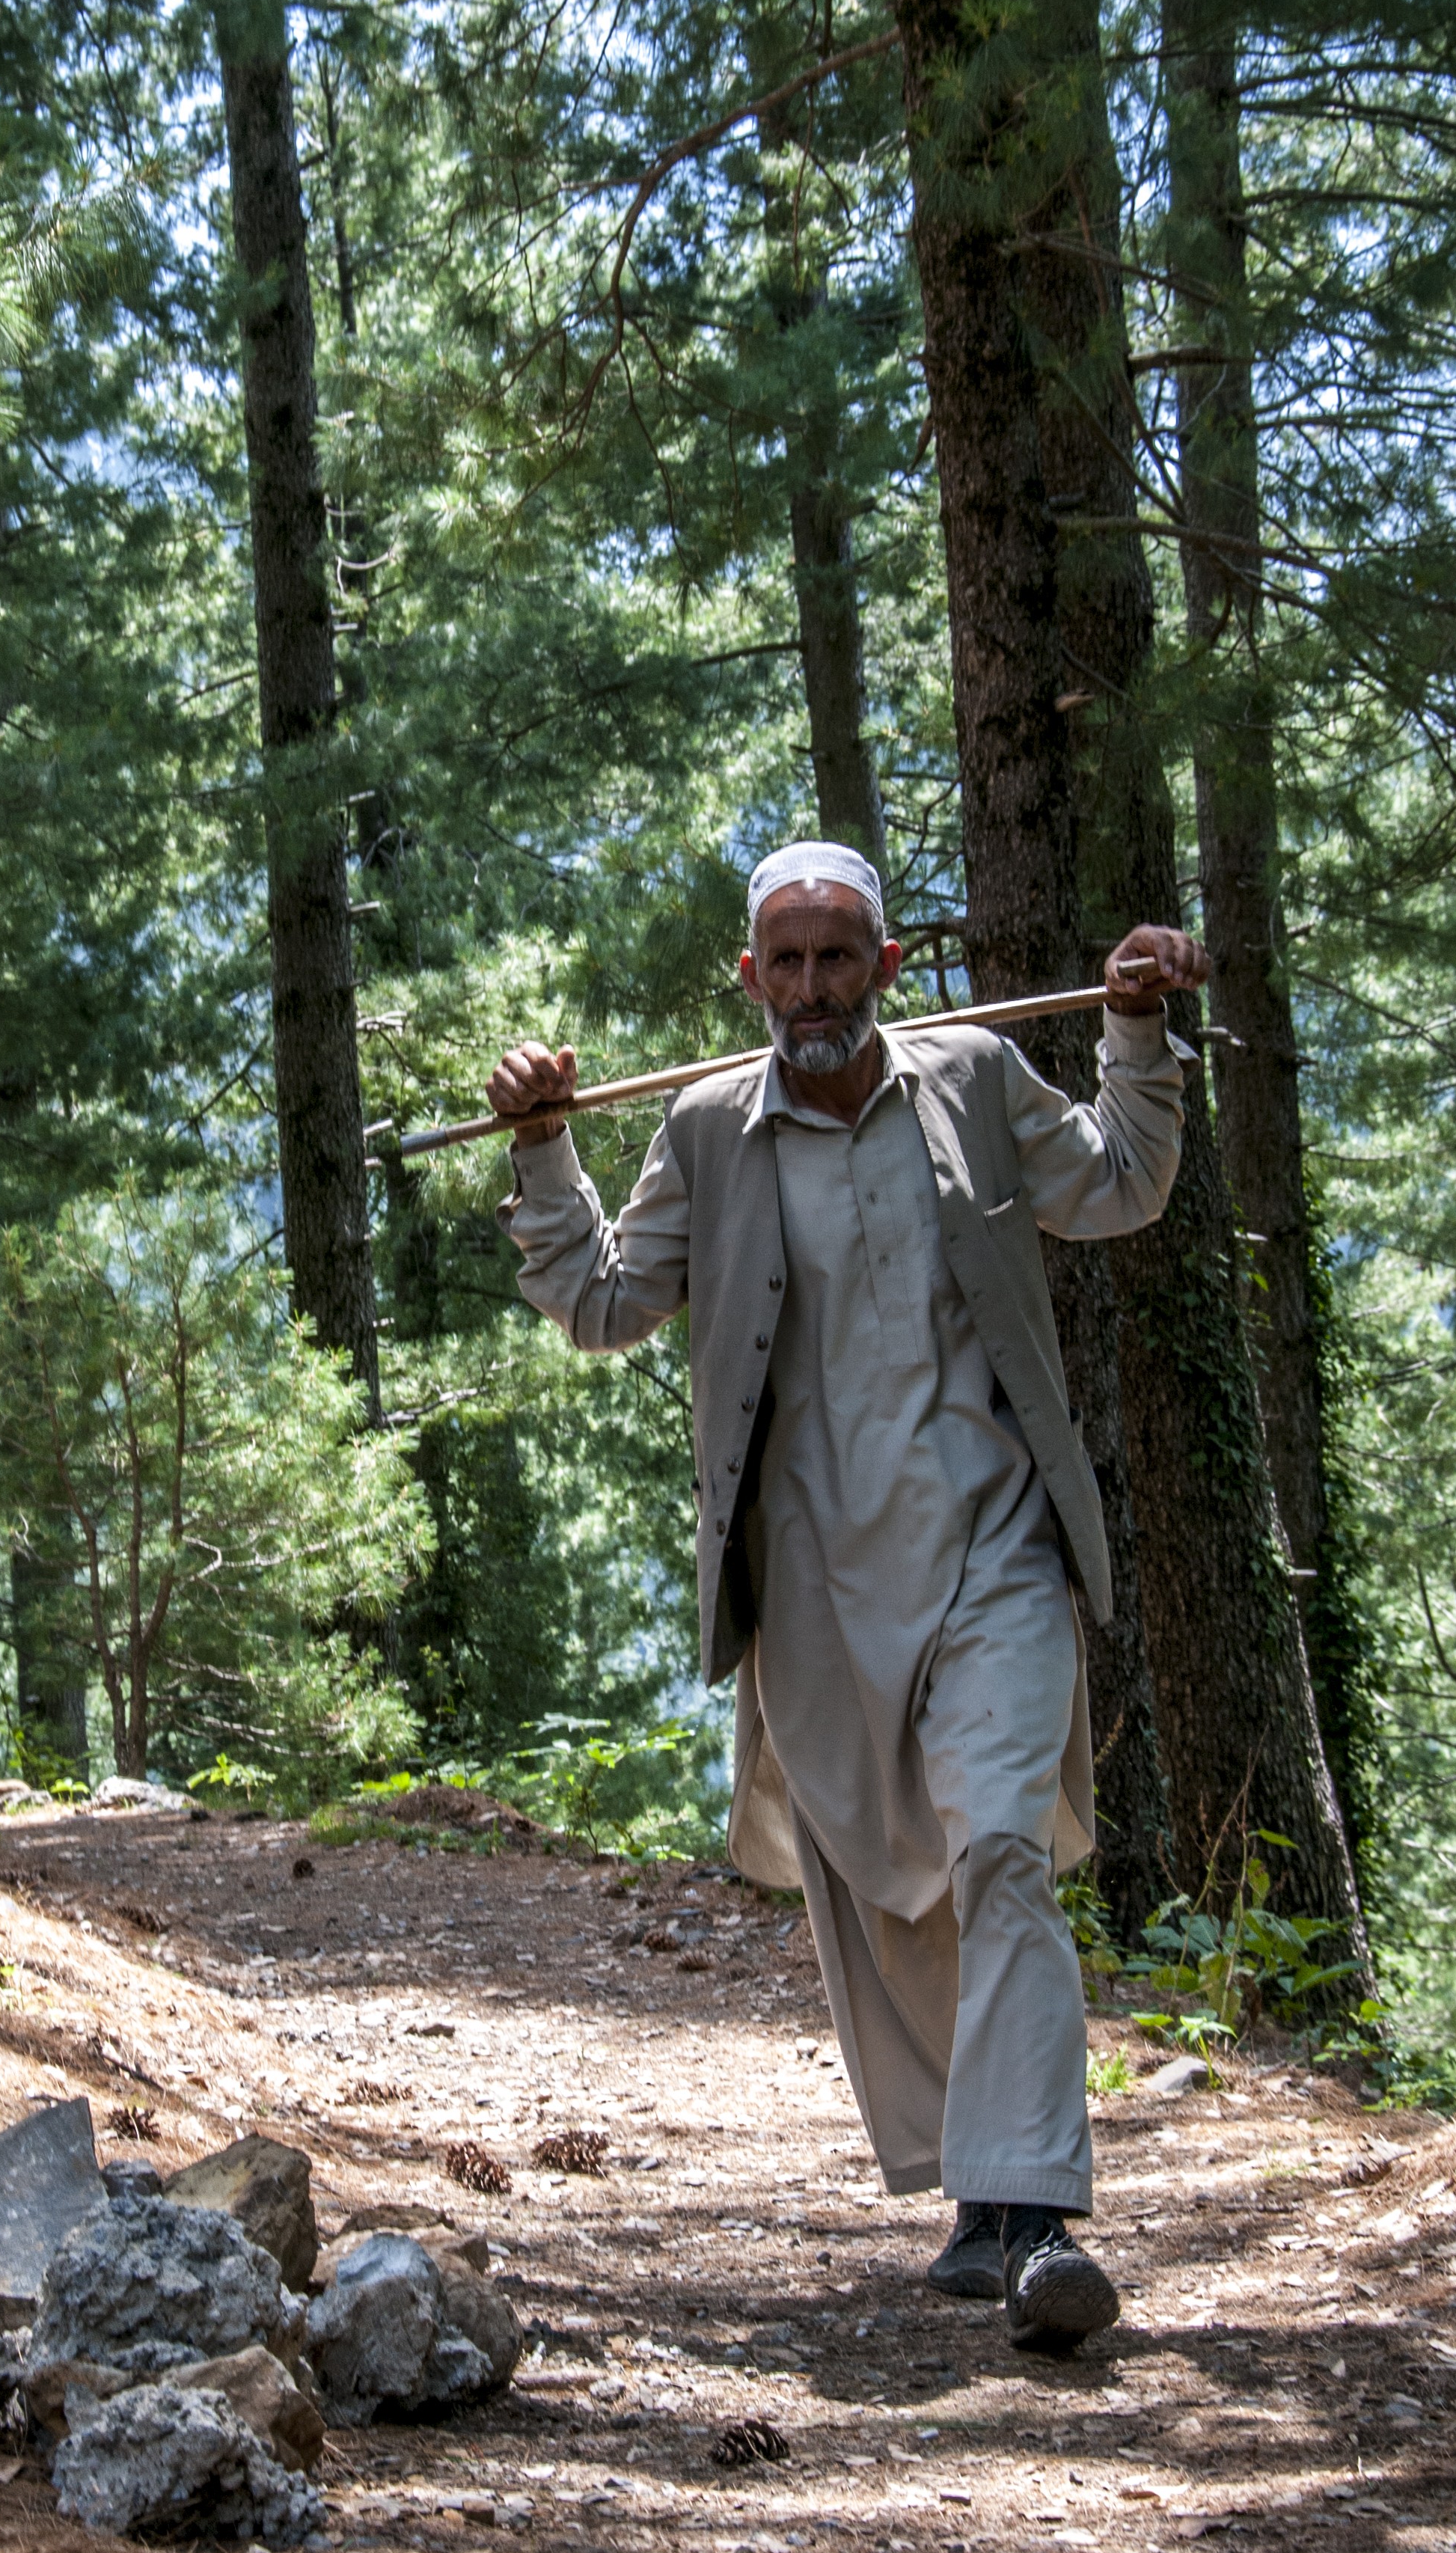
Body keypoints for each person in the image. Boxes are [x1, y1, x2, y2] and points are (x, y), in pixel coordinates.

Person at [486, 843, 1206, 2352]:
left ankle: (1023, 2207)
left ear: (886, 968)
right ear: (748, 981)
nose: (810, 987)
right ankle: (976, 2173)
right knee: (896, 1888)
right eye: (785, 962)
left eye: (837, 958)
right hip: (813, 1583)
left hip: (994, 1546)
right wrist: (544, 1150)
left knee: (1000, 1840)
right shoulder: (703, 1128)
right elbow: (603, 1302)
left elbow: (1123, 1185)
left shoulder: (974, 1080)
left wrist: (1137, 1034)